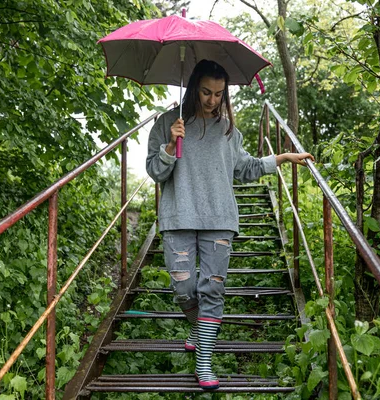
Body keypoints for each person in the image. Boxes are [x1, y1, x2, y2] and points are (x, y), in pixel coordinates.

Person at [146, 59, 313, 390]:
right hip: (178, 216)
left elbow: (245, 168)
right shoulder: (169, 122)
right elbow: (155, 172)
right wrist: (169, 146)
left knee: (213, 290)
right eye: (206, 92)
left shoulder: (227, 131)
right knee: (183, 289)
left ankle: (204, 360)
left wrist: (279, 159)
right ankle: (197, 330)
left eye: (219, 94)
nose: (212, 100)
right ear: (194, 87)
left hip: (220, 221)